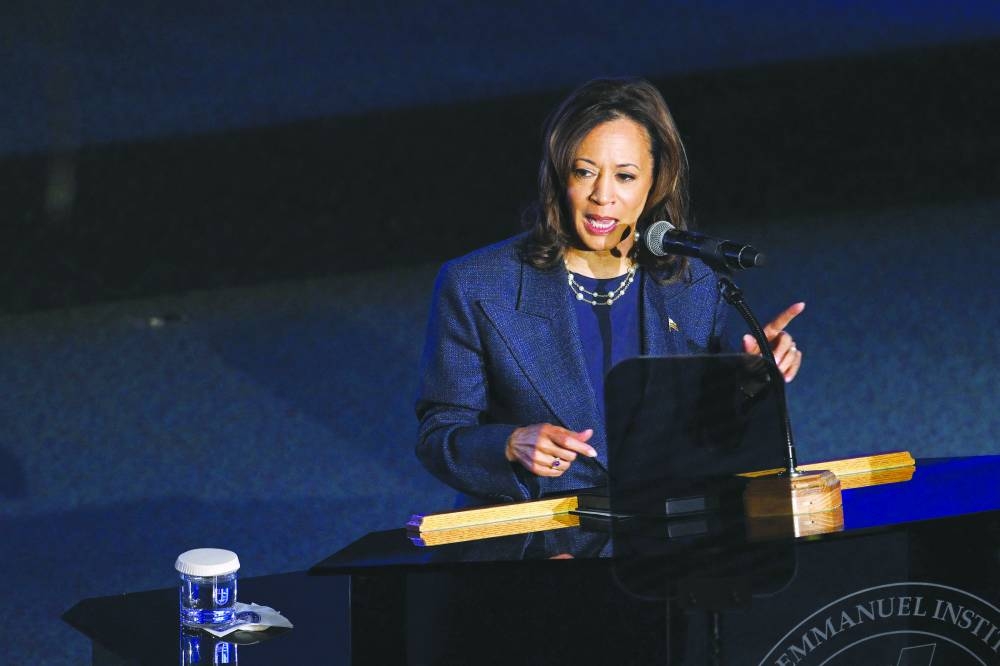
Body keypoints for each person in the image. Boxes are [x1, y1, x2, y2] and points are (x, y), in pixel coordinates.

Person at [415, 78, 803, 505]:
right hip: (541, 539)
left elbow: (712, 433)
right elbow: (441, 434)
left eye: (625, 176)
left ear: (654, 184)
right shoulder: (479, 285)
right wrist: (509, 443)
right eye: (584, 172)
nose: (603, 196)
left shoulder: (693, 282)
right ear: (560, 176)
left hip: (664, 536)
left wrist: (749, 378)